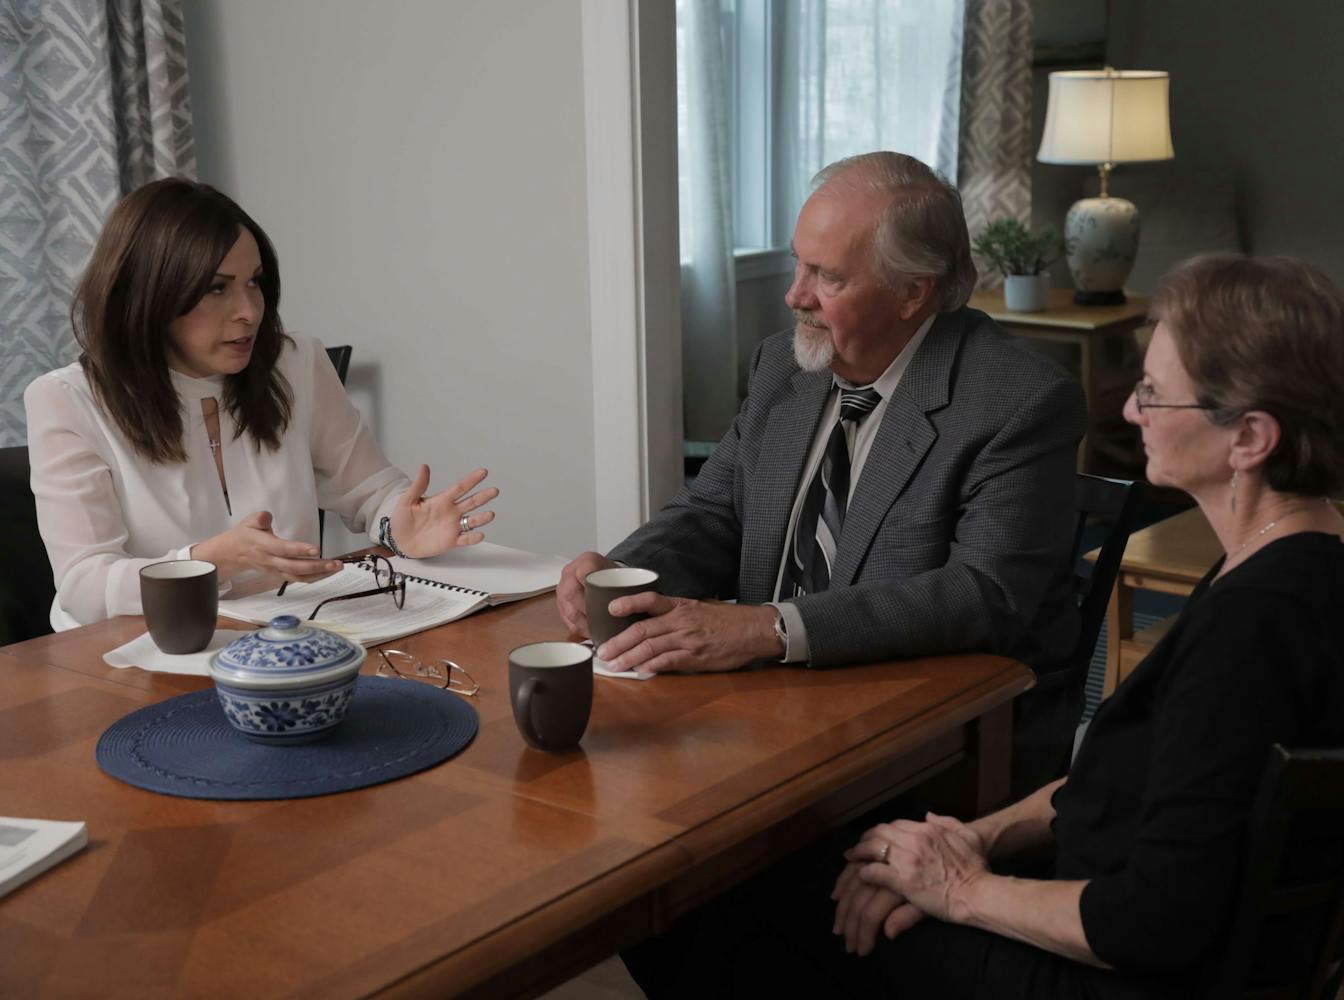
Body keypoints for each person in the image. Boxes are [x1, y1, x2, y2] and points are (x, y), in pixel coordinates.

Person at [622, 254, 1344, 999]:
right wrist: (980, 837)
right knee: (772, 890)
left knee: (721, 905)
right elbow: (1151, 782)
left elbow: (1152, 924)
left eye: (1154, 393)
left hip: (1107, 972)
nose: (1132, 409)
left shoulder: (1256, 629)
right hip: (1093, 908)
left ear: (1249, 438)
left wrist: (959, 890)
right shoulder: (1324, 561)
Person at [557, 153, 1084, 756]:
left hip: (934, 727)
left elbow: (985, 594)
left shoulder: (1017, 400)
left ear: (913, 293)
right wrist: (621, 578)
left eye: (826, 276)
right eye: (796, 263)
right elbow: (715, 513)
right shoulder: (785, 365)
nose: (793, 295)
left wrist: (768, 629)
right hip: (764, 707)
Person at [25, 178, 498, 629]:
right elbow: (84, 586)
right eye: (217, 288)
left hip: (287, 637)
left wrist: (402, 526)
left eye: (254, 282)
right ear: (149, 295)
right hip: (128, 653)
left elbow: (370, 491)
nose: (249, 310)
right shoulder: (67, 401)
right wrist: (211, 562)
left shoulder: (295, 363)